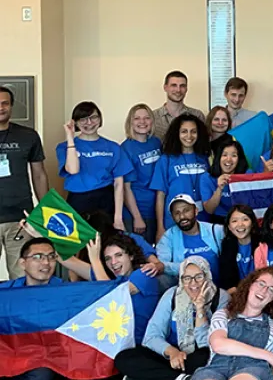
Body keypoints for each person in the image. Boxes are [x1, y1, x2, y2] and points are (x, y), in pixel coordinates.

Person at [116, 256, 229, 380]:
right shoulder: (172, 295)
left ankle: (153, 376)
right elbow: (151, 336)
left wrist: (200, 310)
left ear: (207, 276)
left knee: (204, 358)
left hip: (197, 356)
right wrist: (172, 352)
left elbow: (208, 343)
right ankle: (182, 379)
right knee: (124, 358)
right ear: (181, 280)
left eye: (199, 276)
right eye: (187, 278)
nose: (193, 283)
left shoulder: (221, 297)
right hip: (171, 356)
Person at [45, 231, 161, 345]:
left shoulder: (144, 274)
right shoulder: (111, 280)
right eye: (107, 259)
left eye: (118, 255)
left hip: (137, 346)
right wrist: (43, 236)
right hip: (114, 343)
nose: (113, 262)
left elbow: (111, 295)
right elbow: (71, 262)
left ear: (131, 256)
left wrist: (95, 259)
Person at [0, 238, 63, 380]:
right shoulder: (7, 292)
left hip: (41, 360)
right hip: (11, 354)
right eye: (38, 257)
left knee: (40, 375)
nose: (46, 262)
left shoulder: (66, 293)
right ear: (22, 263)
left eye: (51, 257)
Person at [0, 85, 49, 279]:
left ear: (12, 106)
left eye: (5, 103)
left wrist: (45, 210)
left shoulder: (28, 136)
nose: (1, 107)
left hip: (19, 218)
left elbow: (39, 174)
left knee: (22, 276)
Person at [56, 101, 132, 224]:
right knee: (80, 241)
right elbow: (73, 170)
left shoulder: (113, 147)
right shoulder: (64, 147)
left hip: (105, 199)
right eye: (83, 119)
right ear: (75, 122)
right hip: (77, 200)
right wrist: (70, 137)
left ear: (100, 119)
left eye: (93, 117)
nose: (89, 123)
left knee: (105, 240)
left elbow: (118, 184)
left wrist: (118, 218)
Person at [151, 114, 211, 236]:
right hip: (174, 222)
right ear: (176, 134)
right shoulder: (166, 160)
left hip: (202, 221)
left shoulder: (204, 158)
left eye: (193, 132)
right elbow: (160, 196)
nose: (189, 136)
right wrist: (160, 227)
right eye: (184, 131)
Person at [157, 195, 225, 282]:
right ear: (172, 217)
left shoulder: (215, 230)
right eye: (177, 213)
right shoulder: (169, 236)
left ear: (196, 211)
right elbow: (162, 265)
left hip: (218, 288)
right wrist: (189, 267)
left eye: (186, 211)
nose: (182, 217)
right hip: (187, 289)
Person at [121, 104, 163, 243]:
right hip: (137, 211)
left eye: (146, 118)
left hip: (156, 209)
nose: (142, 122)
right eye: (137, 118)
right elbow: (125, 188)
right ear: (130, 122)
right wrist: (137, 217)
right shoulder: (126, 148)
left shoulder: (156, 143)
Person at [198, 139, 250, 222]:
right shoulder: (207, 177)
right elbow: (209, 210)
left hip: (242, 218)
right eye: (224, 155)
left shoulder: (247, 174)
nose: (228, 160)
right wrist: (219, 189)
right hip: (219, 219)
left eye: (234, 155)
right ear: (218, 157)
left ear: (239, 159)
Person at [152, 71, 206, 142]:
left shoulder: (197, 115)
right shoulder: (153, 117)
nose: (178, 90)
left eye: (182, 86)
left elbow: (202, 143)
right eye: (174, 85)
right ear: (165, 88)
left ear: (186, 89)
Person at [218, 205, 261, 293]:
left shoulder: (262, 243)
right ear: (229, 227)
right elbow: (227, 281)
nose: (240, 224)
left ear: (252, 223)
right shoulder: (227, 245)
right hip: (238, 293)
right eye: (234, 221)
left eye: (245, 219)